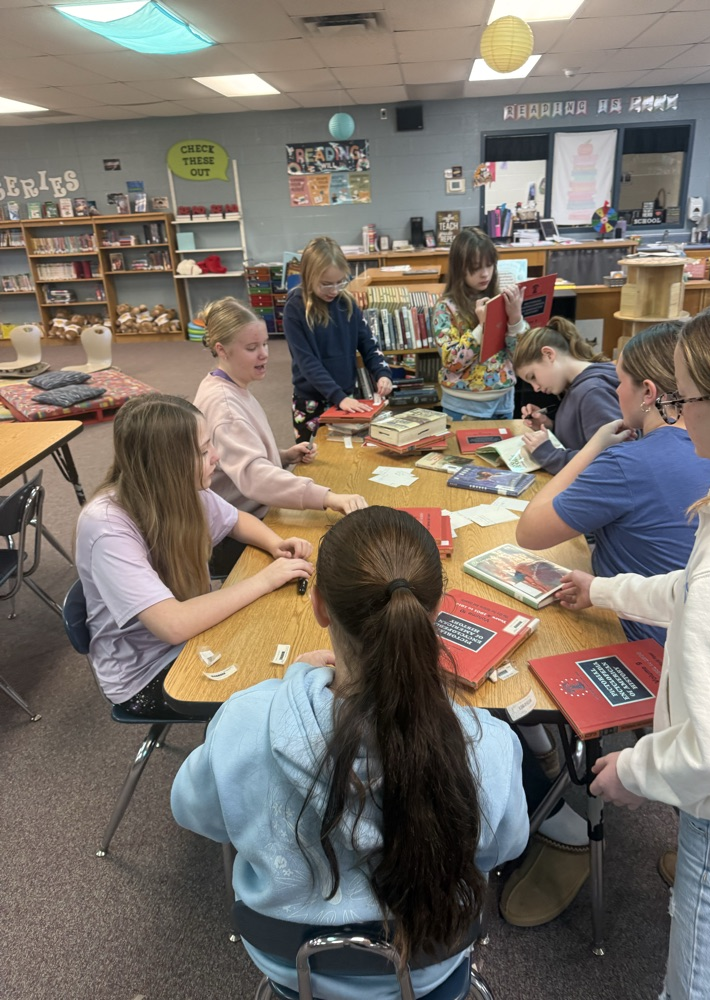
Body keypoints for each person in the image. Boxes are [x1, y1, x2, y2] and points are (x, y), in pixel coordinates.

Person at [171, 506, 529, 998]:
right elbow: (503, 847)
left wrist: (284, 689)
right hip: (429, 970)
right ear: (437, 611)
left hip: (289, 971)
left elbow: (197, 814)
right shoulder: (484, 743)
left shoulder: (244, 721)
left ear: (319, 607)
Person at [558, 298, 710, 1000]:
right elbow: (691, 592)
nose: (674, 413)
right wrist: (604, 592)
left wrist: (631, 771)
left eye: (683, 397)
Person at [75, 394, 313, 719]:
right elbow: (173, 625)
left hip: (191, 637)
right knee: (285, 686)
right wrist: (265, 580)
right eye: (202, 451)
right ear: (166, 464)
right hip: (145, 674)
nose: (215, 456)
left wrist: (275, 543)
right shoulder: (106, 526)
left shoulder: (182, 489)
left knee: (286, 640)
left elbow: (236, 520)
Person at [516, 322, 710, 644]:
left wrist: (594, 447)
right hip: (692, 628)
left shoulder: (629, 463)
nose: (614, 391)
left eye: (619, 380)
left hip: (643, 640)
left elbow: (529, 532)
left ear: (647, 392)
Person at [193, 297, 367, 573]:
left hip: (246, 515)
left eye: (264, 344)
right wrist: (329, 498)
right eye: (252, 347)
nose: (264, 354)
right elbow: (254, 477)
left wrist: (282, 455)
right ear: (221, 350)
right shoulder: (225, 406)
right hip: (236, 533)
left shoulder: (228, 385)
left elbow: (235, 460)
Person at [282, 236, 393, 442]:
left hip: (345, 398)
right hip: (310, 402)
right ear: (308, 276)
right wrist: (338, 396)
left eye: (340, 282)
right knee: (311, 460)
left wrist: (382, 372)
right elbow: (307, 361)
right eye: (325, 284)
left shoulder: (347, 303)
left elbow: (369, 345)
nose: (334, 290)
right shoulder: (295, 308)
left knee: (347, 457)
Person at [433, 226, 529, 422]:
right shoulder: (446, 308)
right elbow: (452, 361)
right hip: (463, 406)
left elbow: (522, 356)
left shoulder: (501, 300)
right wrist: (482, 328)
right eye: (476, 267)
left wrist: (516, 320)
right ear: (460, 268)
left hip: (503, 402)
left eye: (489, 265)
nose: (485, 274)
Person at [512, 318, 621, 473]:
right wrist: (550, 426)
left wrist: (548, 454)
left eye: (533, 377)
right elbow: (585, 441)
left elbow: (613, 463)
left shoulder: (593, 391)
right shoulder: (578, 387)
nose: (535, 388)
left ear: (549, 354)